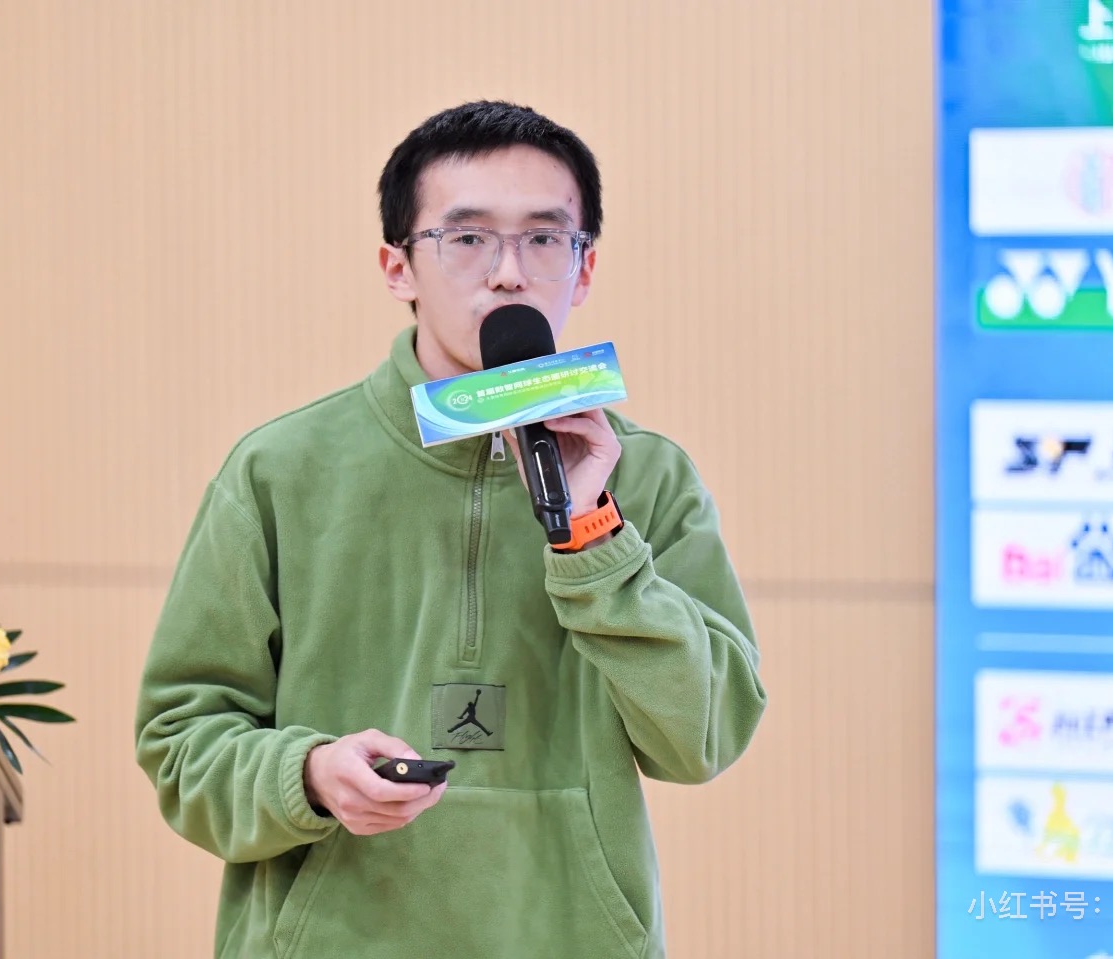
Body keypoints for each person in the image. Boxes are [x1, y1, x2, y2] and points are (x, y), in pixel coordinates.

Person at [134, 100, 767, 959]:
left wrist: (593, 533)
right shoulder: (280, 470)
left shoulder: (650, 476)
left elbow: (705, 737)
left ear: (584, 269)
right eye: (467, 238)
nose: (509, 273)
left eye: (544, 238)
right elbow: (180, 741)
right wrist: (305, 776)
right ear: (398, 266)